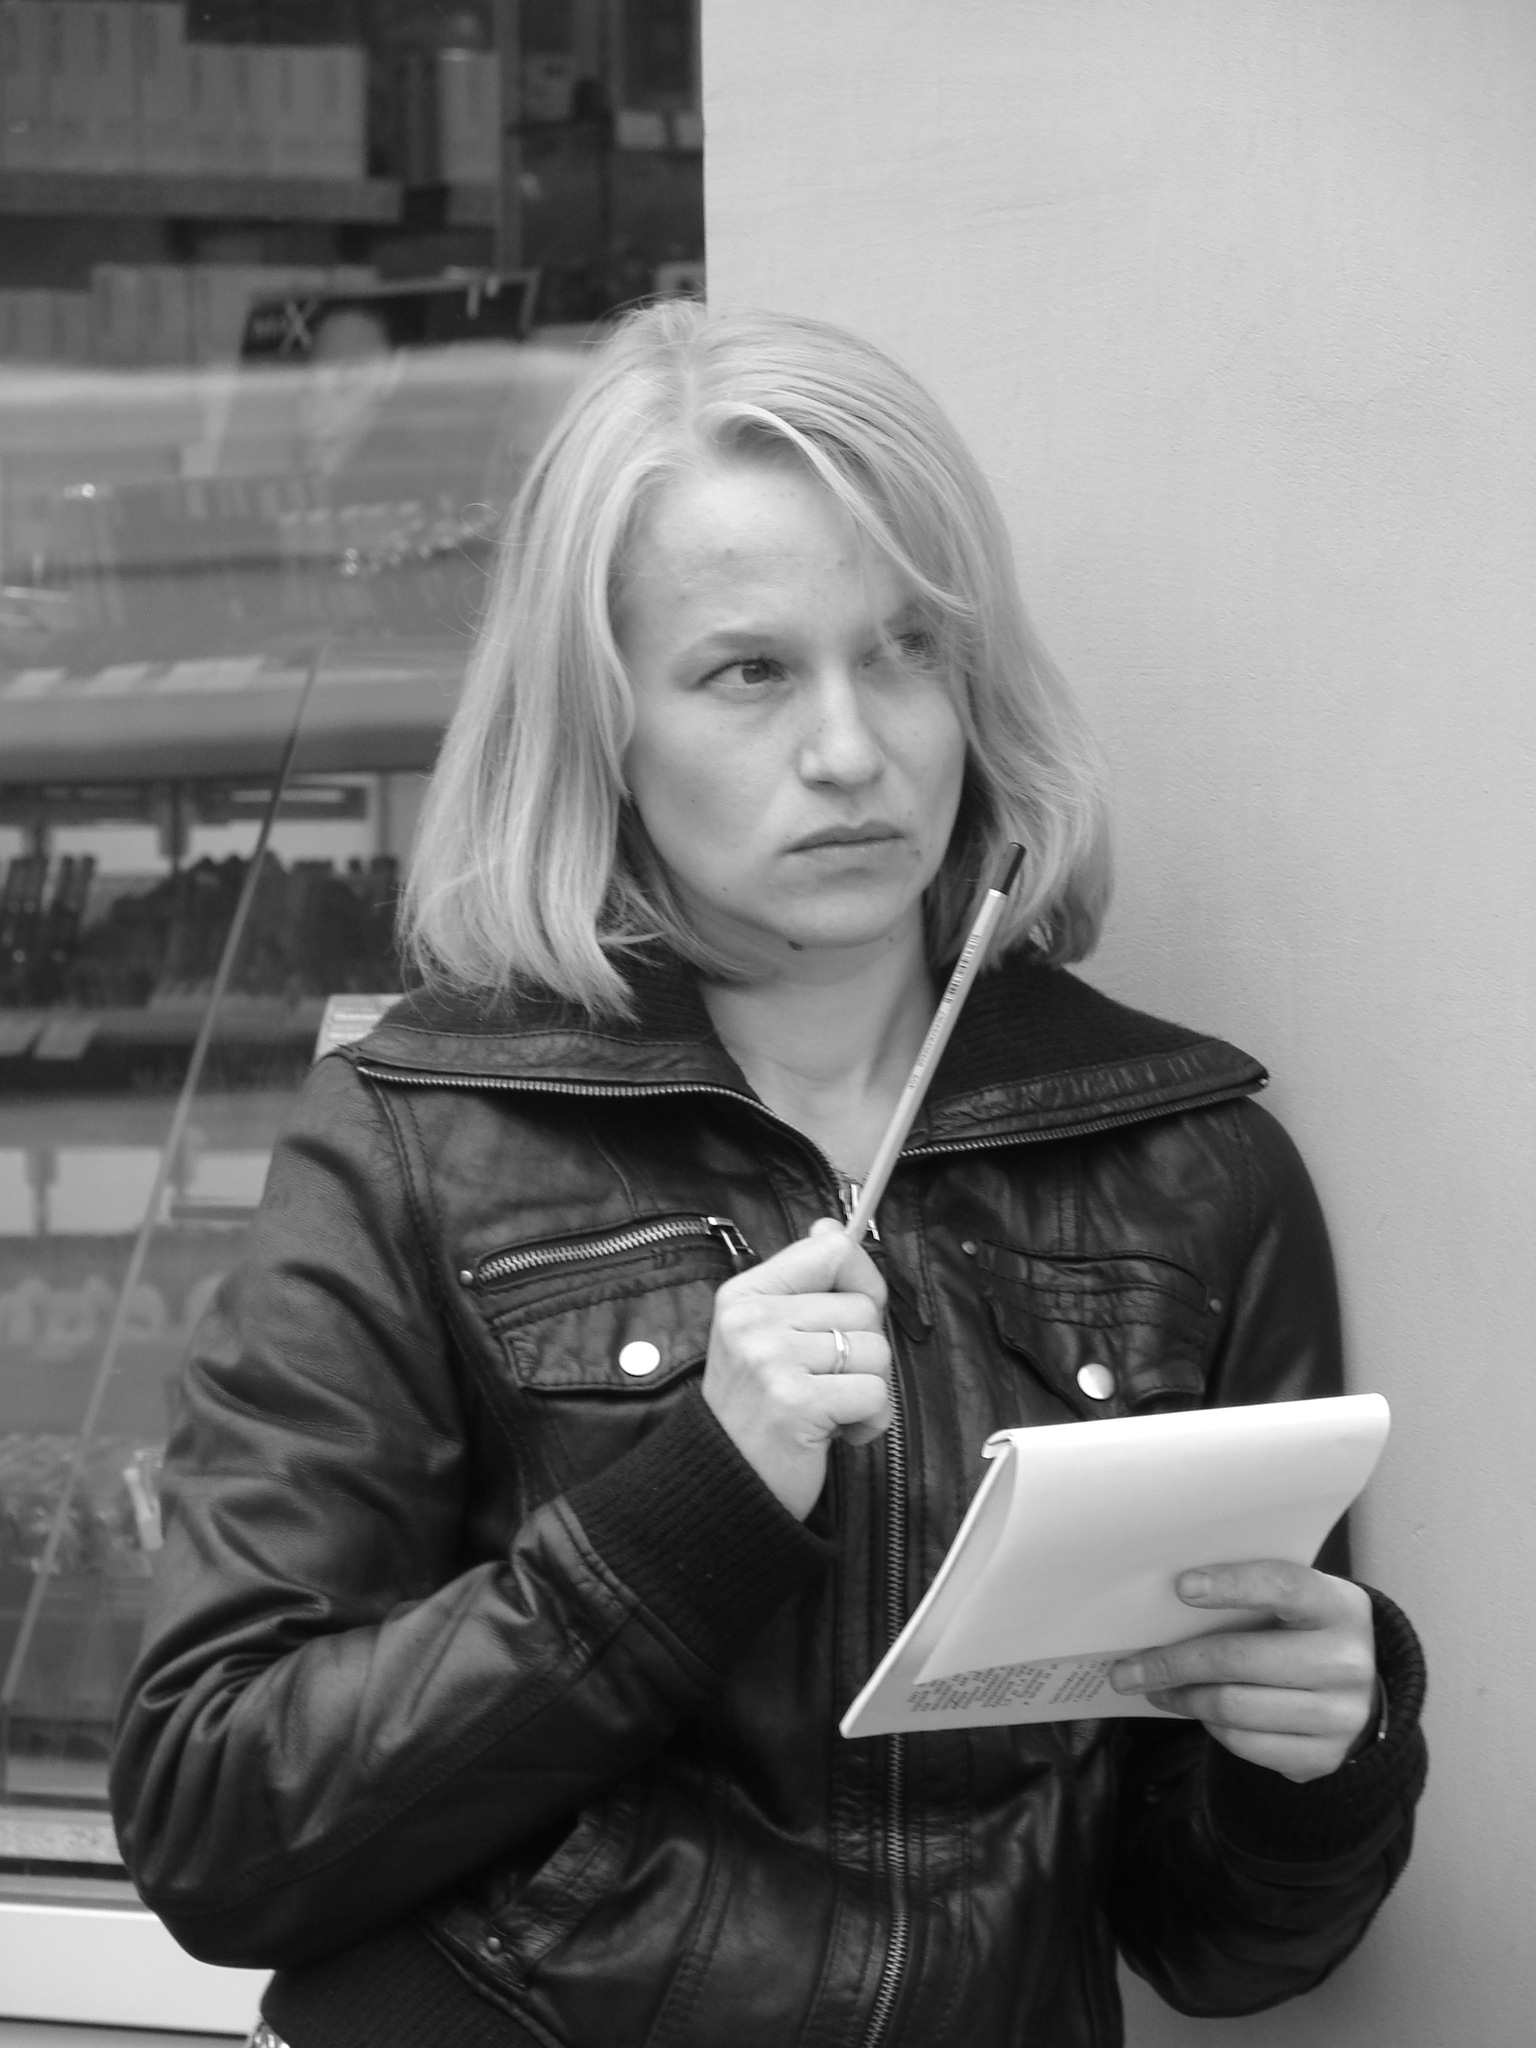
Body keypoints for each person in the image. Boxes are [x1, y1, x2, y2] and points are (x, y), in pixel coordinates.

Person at [110, 303, 1427, 2048]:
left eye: (903, 652)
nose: (851, 750)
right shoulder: (418, 1137)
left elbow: (1216, 1950)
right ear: (601, 727)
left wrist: (1322, 1759)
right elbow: (216, 1825)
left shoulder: (1187, 1169)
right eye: (750, 672)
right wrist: (695, 1505)